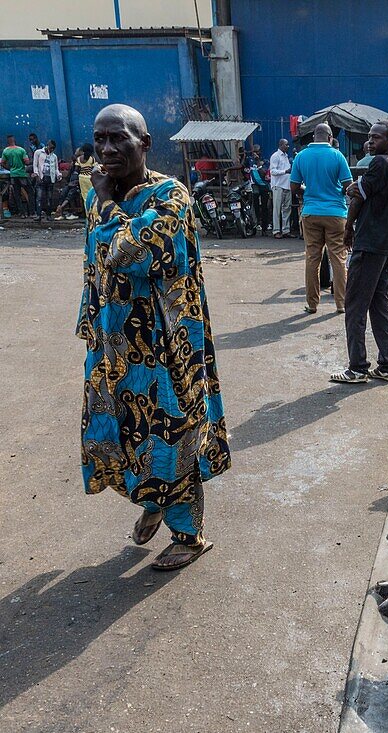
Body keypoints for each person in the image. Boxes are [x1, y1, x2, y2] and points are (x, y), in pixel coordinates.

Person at [79, 103, 230, 570]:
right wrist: (90, 326)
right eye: (99, 138)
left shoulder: (171, 196)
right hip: (116, 343)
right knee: (125, 430)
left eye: (118, 138)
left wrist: (105, 204)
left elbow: (132, 253)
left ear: (144, 143)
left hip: (168, 348)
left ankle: (189, 533)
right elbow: (94, 264)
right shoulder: (98, 196)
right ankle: (153, 499)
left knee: (172, 433)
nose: (106, 149)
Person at [330, 121, 388, 383]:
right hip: (386, 244)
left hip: (371, 242)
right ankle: (386, 365)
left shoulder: (380, 163)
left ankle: (357, 367)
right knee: (378, 302)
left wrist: (348, 225)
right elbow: (361, 191)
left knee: (355, 304)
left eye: (376, 137)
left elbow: (358, 196)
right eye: (369, 137)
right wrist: (356, 188)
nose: (370, 141)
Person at [290, 122, 353, 314]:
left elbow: (294, 188)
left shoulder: (301, 157)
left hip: (310, 213)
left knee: (312, 258)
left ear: (313, 137)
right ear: (330, 137)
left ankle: (312, 304)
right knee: (338, 259)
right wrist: (336, 194)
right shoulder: (337, 156)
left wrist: (308, 193)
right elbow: (348, 185)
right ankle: (341, 304)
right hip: (335, 214)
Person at [3, 134, 31, 217]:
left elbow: (2, 163)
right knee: (30, 192)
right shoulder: (21, 150)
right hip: (22, 174)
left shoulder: (5, 151)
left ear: (8, 141)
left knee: (17, 194)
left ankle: (22, 213)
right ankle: (31, 212)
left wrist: (10, 169)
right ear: (14, 140)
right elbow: (27, 162)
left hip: (13, 175)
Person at [32, 139, 60, 221]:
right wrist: (37, 175)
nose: (51, 150)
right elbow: (35, 165)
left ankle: (48, 215)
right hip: (41, 178)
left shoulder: (54, 156)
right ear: (47, 145)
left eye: (53, 148)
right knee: (39, 197)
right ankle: (38, 215)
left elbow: (56, 168)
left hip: (50, 179)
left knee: (49, 198)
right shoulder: (38, 153)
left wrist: (58, 175)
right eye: (51, 147)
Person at [270, 138, 292, 239]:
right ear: (281, 145)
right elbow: (272, 171)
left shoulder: (286, 156)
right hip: (278, 186)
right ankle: (276, 230)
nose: (288, 146)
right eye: (286, 145)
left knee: (287, 208)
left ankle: (286, 230)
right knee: (277, 209)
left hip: (287, 185)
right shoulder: (275, 156)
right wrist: (285, 171)